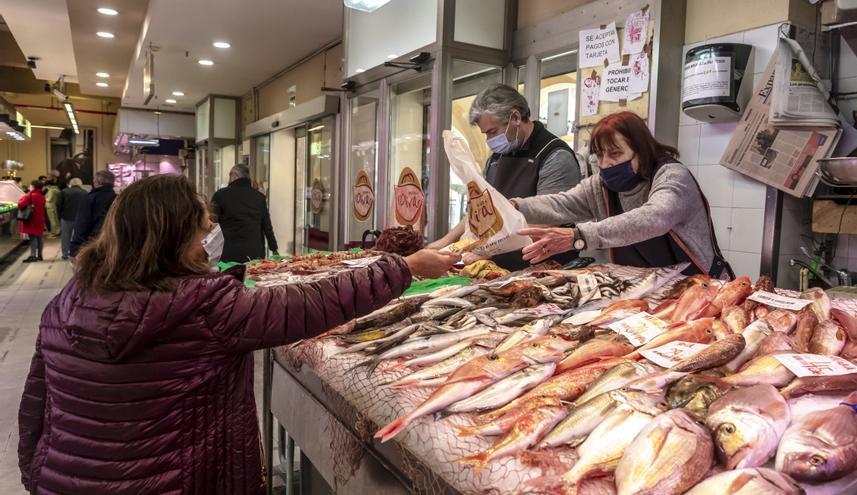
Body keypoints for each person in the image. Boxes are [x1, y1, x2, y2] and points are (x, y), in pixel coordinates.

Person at [17, 174, 459, 494]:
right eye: (198, 237)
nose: (205, 246)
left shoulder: (69, 299)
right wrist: (405, 267)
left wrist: (34, 472)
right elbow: (310, 305)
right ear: (170, 240)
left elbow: (35, 404)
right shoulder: (202, 307)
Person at [512, 111, 733, 278]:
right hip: (646, 287)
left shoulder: (671, 176)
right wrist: (512, 207)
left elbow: (656, 217)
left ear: (642, 150)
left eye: (615, 154)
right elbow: (560, 204)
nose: (605, 164)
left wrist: (578, 237)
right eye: (599, 155)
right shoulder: (600, 186)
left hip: (699, 283)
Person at [428, 83, 581, 270]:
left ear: (516, 117)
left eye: (493, 132)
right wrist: (443, 244)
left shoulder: (555, 156)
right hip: (499, 269)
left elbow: (544, 223)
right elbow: (483, 211)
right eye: (485, 134)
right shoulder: (495, 158)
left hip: (544, 269)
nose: (489, 141)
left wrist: (482, 251)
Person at [211, 164, 279, 262]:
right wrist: (274, 249)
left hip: (228, 253)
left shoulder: (220, 195)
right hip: (255, 253)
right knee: (252, 277)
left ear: (234, 176)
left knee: (230, 277)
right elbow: (266, 226)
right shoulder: (259, 197)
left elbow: (212, 224)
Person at [70, 170, 116, 258]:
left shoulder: (89, 198)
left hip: (93, 243)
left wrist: (74, 249)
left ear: (99, 182)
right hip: (113, 243)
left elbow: (82, 224)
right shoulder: (118, 199)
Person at [57, 177, 87, 260]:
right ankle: (78, 253)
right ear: (80, 184)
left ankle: (65, 254)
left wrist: (59, 216)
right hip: (80, 219)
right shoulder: (85, 193)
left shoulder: (64, 192)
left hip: (66, 218)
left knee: (65, 237)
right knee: (79, 237)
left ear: (71, 184)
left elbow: (58, 205)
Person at [18, 180, 46, 263]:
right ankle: (40, 255)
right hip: (40, 219)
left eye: (30, 186)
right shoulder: (41, 196)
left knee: (33, 237)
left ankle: (33, 255)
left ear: (33, 186)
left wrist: (23, 197)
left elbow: (20, 204)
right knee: (39, 237)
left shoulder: (30, 195)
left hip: (32, 219)